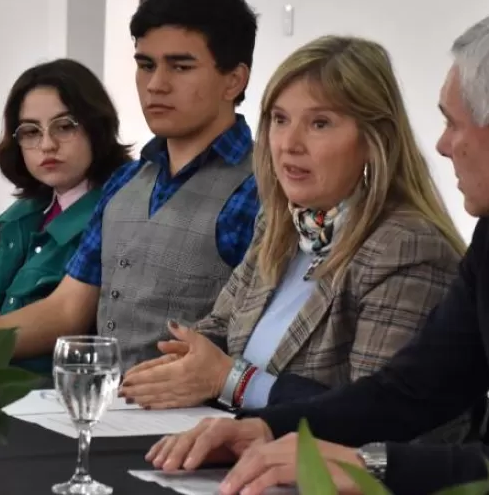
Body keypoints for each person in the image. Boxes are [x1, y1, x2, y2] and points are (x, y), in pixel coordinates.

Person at [144, 1, 489, 495]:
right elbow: (412, 390)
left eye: (452, 124)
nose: (443, 145)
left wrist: (376, 467)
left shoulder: (421, 241)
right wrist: (265, 429)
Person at [119, 35, 467, 433]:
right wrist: (181, 363)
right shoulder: (282, 225)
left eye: (319, 123)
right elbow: (219, 328)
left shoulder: (406, 246)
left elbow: (378, 414)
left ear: (375, 140)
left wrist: (231, 380)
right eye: (280, 120)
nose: (289, 144)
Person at [0, 0, 260, 370]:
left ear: (234, 80)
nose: (156, 85)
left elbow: (256, 342)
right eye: (145, 65)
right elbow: (67, 309)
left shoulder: (260, 188)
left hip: (193, 418)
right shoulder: (125, 182)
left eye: (180, 66)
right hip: (95, 402)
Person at [0, 59, 132, 374]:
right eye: (31, 132)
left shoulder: (118, 212)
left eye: (64, 126)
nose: (47, 145)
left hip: (51, 393)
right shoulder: (22, 215)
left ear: (95, 127)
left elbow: (67, 323)